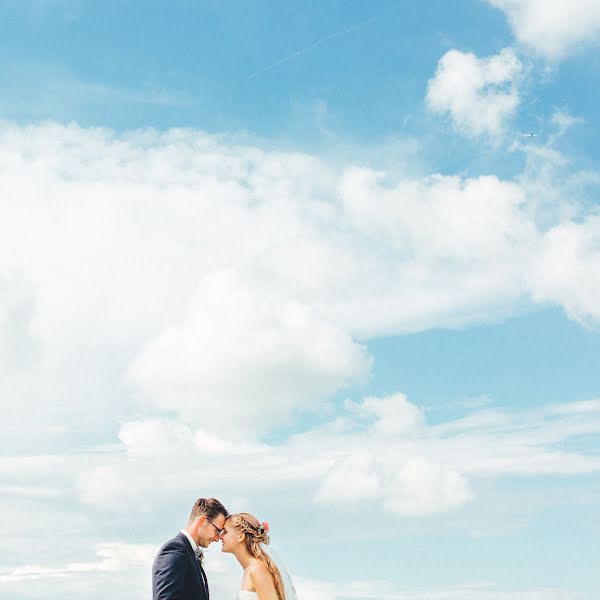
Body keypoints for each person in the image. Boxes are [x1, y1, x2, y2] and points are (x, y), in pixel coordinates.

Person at [153, 497, 228, 600]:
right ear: (203, 521)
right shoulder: (174, 551)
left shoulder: (188, 552)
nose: (217, 538)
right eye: (217, 531)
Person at [220, 512, 295, 600]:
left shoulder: (257, 569)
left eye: (225, 532)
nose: (220, 536)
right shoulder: (250, 569)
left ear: (240, 536)